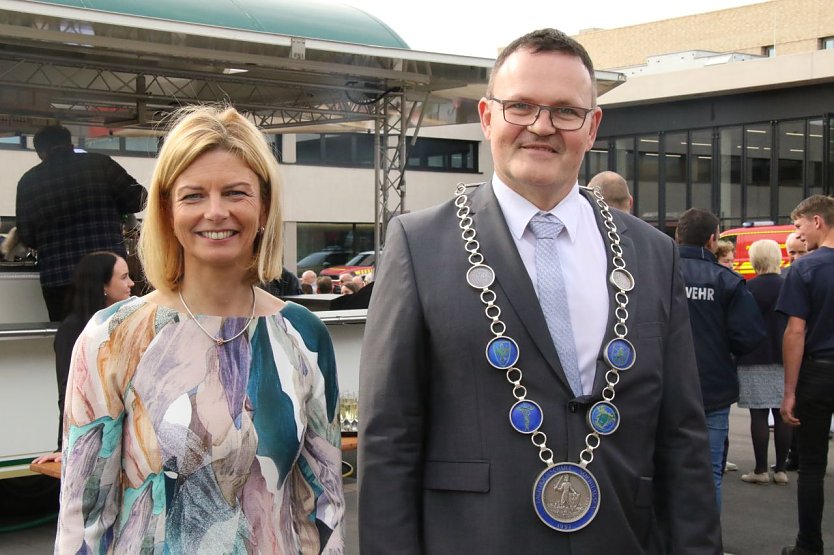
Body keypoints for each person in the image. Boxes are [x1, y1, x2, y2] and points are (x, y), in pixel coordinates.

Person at [358, 28, 721, 553]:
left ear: (592, 126)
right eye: (521, 106)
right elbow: (389, 438)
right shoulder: (419, 244)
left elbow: (682, 436)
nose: (541, 126)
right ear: (487, 117)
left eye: (565, 111)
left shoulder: (651, 253)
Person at [56, 105, 344, 553]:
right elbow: (83, 520)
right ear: (167, 210)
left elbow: (322, 510)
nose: (216, 212)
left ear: (264, 206)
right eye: (193, 196)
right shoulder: (111, 337)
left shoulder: (302, 336)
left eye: (235, 192)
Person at [676, 207, 766, 511]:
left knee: (663, 470)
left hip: (664, 389)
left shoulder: (656, 272)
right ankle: (705, 541)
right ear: (713, 240)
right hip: (712, 391)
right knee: (710, 472)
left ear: (678, 235)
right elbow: (749, 337)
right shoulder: (727, 280)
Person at [15, 124, 147, 321]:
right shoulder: (100, 164)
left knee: (69, 340)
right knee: (114, 336)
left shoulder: (28, 182)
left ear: (40, 152)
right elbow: (140, 198)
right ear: (70, 143)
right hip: (108, 272)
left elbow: (27, 235)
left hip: (59, 278)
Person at [32, 251, 134, 465]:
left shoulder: (130, 321)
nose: (131, 283)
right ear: (103, 285)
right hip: (97, 438)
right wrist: (64, 445)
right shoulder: (73, 329)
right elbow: (67, 391)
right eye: (124, 277)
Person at [777, 195, 834, 555]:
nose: (798, 236)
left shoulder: (806, 268)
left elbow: (795, 332)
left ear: (817, 221)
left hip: (819, 371)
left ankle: (808, 546)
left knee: (812, 465)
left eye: (799, 227)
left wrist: (789, 391)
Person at [736, 239, 791, 485]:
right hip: (785, 357)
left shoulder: (748, 287)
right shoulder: (788, 286)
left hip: (754, 356)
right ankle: (780, 469)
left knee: (758, 414)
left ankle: (759, 470)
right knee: (782, 415)